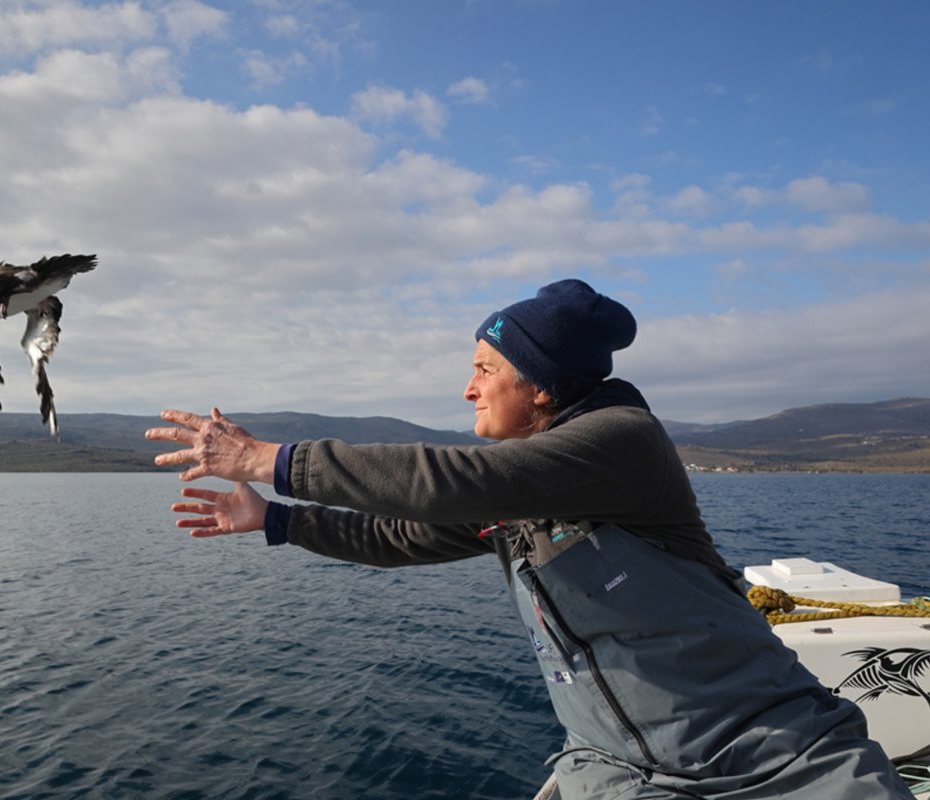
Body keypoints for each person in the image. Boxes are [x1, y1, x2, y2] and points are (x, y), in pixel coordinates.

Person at [144, 279, 913, 799]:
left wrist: (270, 460)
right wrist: (274, 518)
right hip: (618, 774)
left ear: (541, 385)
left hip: (773, 757)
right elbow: (403, 533)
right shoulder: (521, 494)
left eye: (485, 369)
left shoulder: (623, 441)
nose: (468, 388)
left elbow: (451, 480)